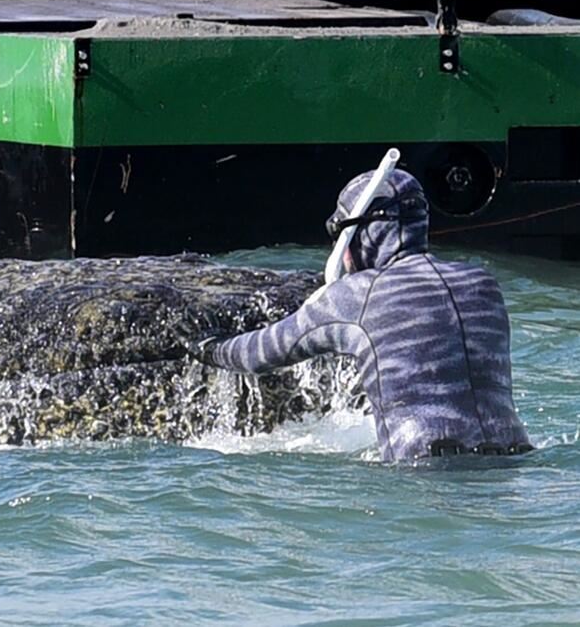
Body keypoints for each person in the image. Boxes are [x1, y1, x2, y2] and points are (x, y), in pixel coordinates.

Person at [197, 168, 533, 462]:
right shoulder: (484, 285)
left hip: (426, 470)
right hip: (513, 459)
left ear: (359, 236)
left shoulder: (357, 295)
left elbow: (260, 354)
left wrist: (206, 346)